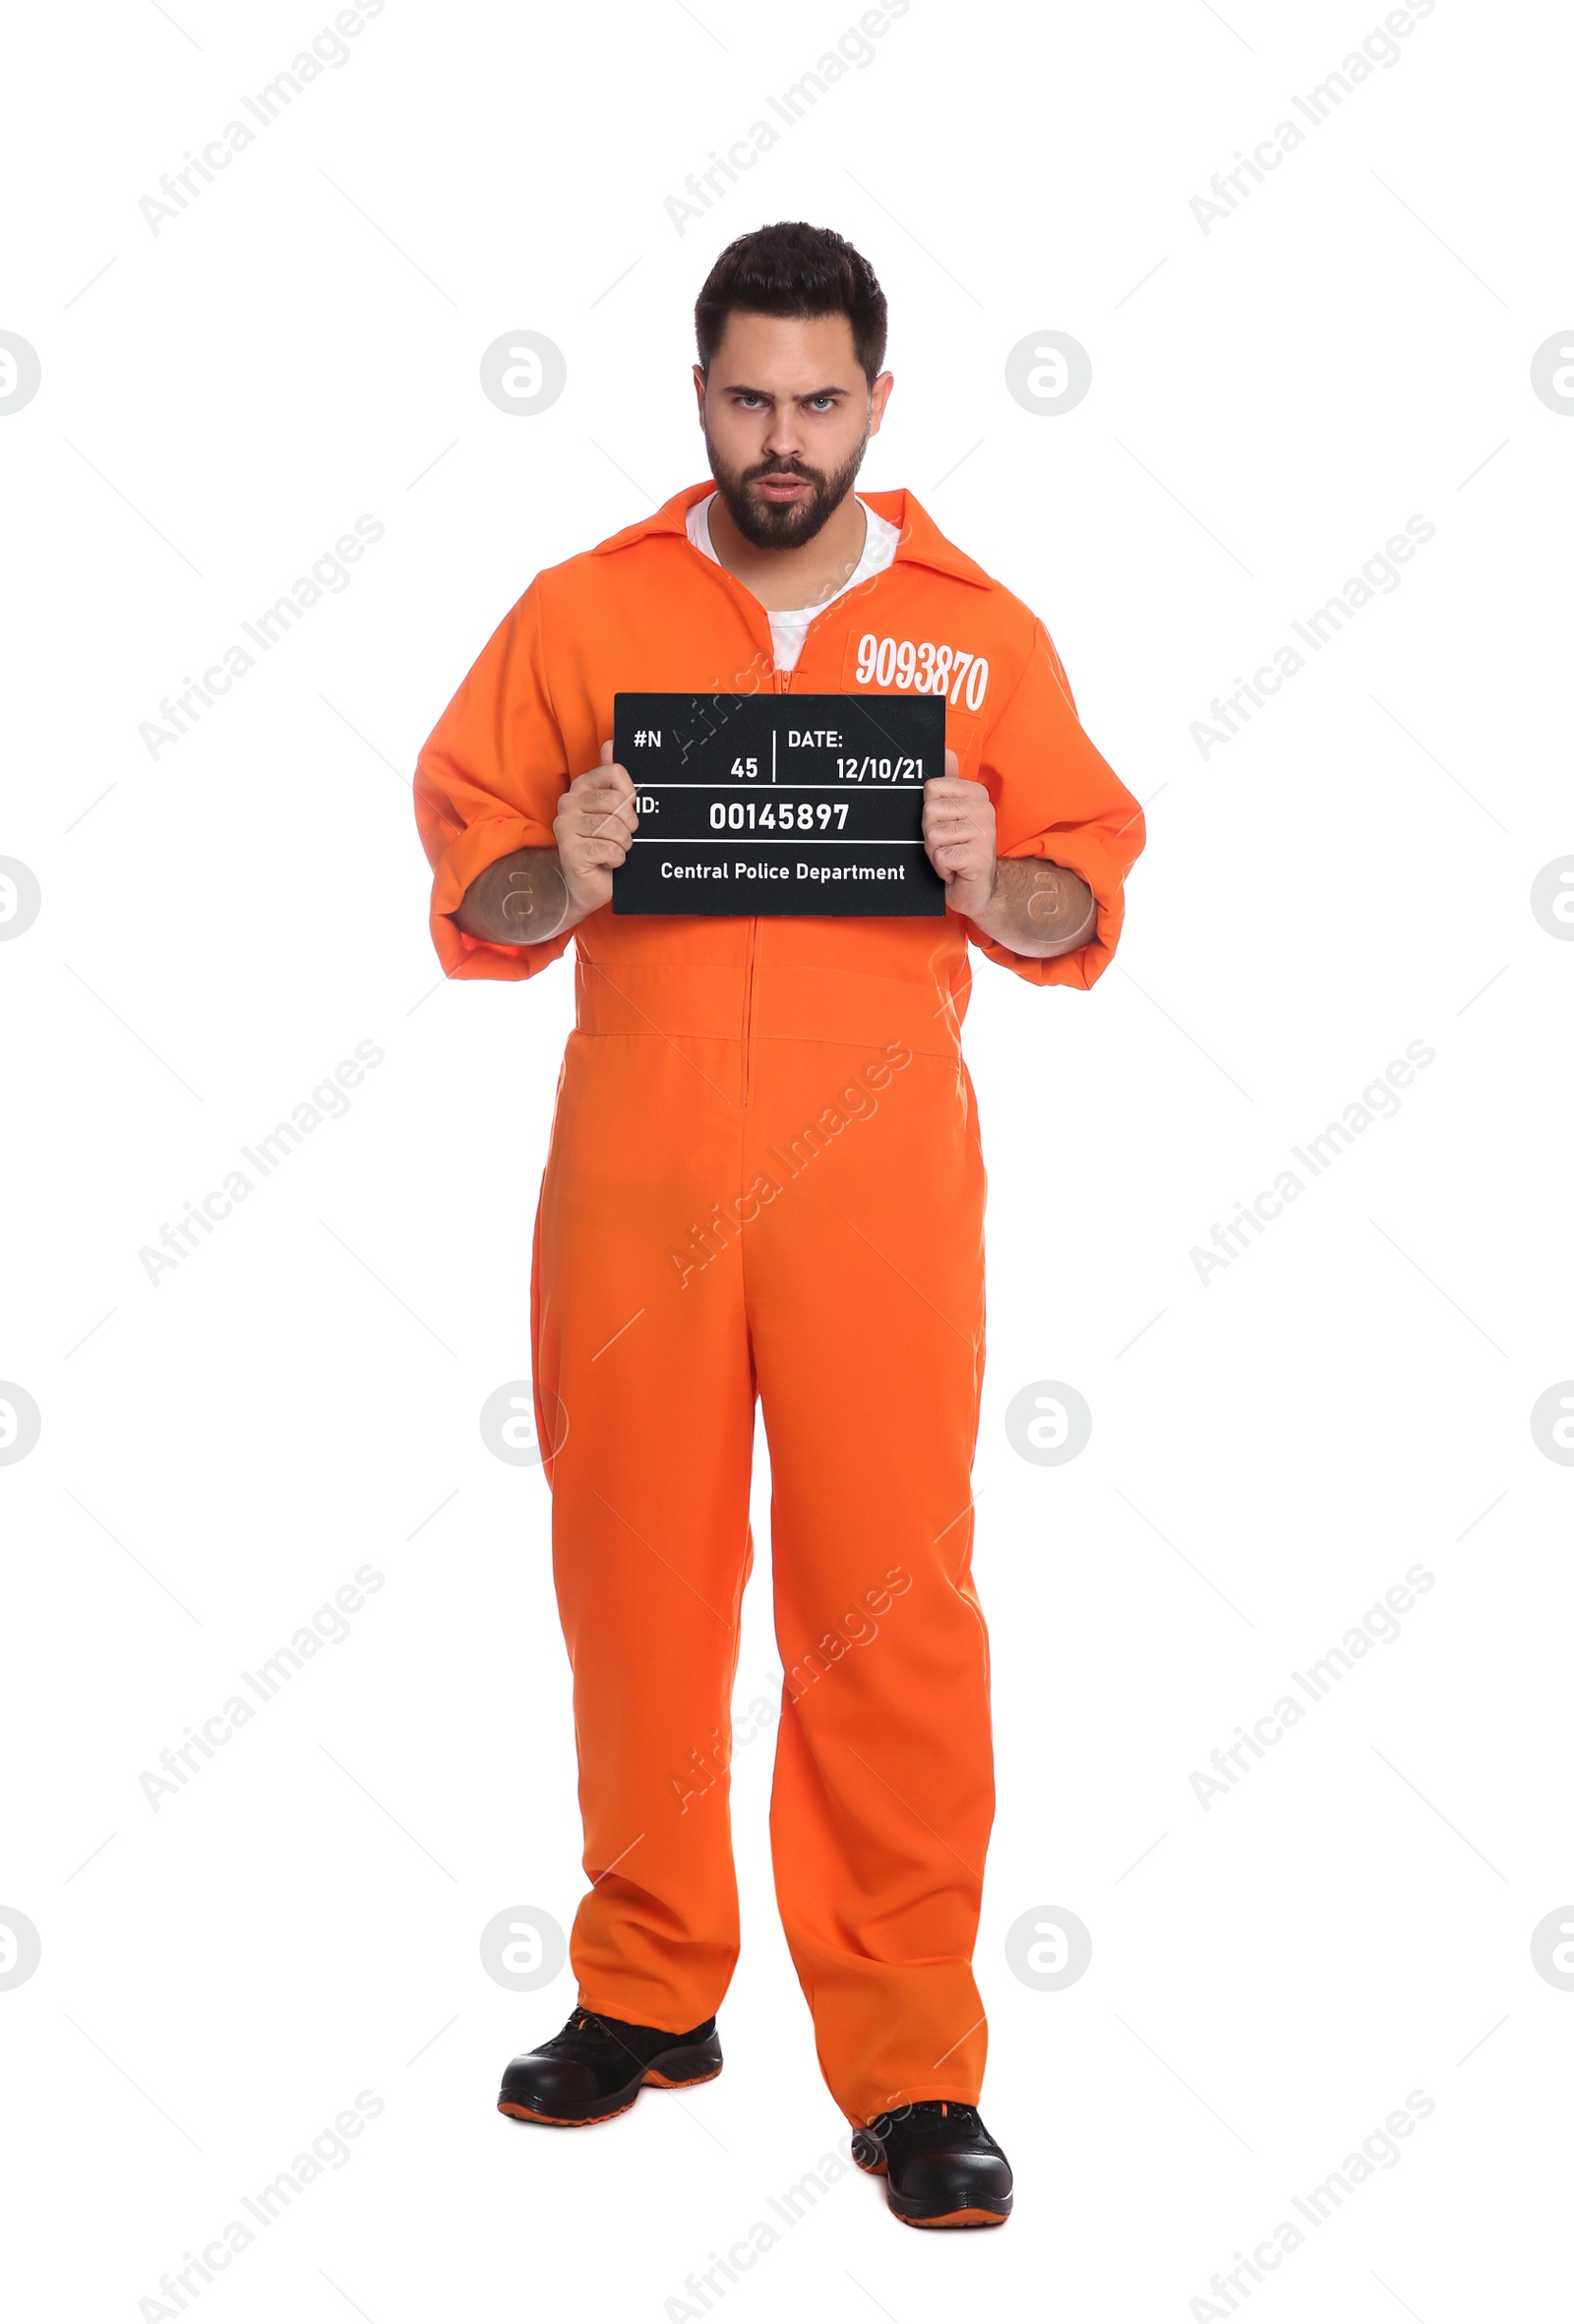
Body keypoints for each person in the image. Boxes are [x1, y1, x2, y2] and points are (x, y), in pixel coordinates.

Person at [413, 220, 1144, 2229]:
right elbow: (474, 888)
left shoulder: (975, 636)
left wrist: (999, 884)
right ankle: (646, 1986)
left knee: (886, 1617)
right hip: (633, 1177)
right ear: (698, 393)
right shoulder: (581, 613)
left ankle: (911, 2059)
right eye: (747, 394)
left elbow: (1080, 897)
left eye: (820, 399)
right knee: (633, 1598)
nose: (782, 435)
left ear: (878, 403)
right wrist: (548, 870)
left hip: (875, 1193)